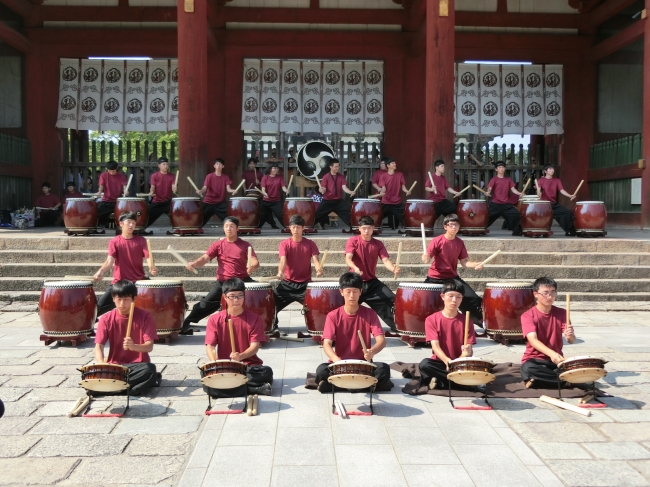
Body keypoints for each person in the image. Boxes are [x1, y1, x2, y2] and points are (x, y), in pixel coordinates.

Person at [315, 272, 393, 393]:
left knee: (384, 369)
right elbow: (326, 344)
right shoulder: (333, 316)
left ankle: (336, 386)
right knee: (321, 370)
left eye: (355, 291)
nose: (352, 295)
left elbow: (381, 341)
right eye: (348, 291)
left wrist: (372, 351)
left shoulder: (370, 314)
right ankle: (366, 386)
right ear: (341, 292)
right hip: (340, 365)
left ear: (360, 292)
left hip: (363, 365)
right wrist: (336, 359)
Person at [181, 216, 260, 334]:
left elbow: (255, 261)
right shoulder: (218, 245)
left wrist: (252, 266)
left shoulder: (245, 245)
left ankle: (269, 324)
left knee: (262, 294)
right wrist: (195, 264)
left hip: (241, 280)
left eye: (232, 226)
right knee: (206, 304)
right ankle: (185, 324)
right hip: (223, 282)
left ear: (237, 228)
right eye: (226, 226)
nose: (229, 229)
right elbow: (205, 258)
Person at [204, 278, 274, 397]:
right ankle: (253, 388)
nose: (236, 300)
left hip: (248, 366)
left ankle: (230, 389)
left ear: (244, 296)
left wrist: (240, 356)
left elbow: (255, 346)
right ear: (225, 297)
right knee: (207, 384)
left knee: (266, 372)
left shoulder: (254, 318)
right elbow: (210, 346)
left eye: (240, 296)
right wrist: (214, 363)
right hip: (226, 367)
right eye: (232, 296)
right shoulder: (214, 319)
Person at [94, 279, 160, 395]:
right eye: (119, 299)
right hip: (115, 366)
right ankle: (129, 389)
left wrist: (134, 346)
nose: (122, 304)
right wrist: (102, 364)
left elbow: (149, 347)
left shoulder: (145, 316)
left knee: (150, 370)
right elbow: (99, 346)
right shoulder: (106, 319)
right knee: (90, 375)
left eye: (126, 299)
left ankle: (112, 388)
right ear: (113, 298)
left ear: (134, 299)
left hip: (137, 366)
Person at [421, 214, 484, 325]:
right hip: (435, 278)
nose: (454, 227)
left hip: (452, 278)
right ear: (445, 227)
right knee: (424, 301)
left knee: (472, 298)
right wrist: (425, 257)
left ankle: (479, 323)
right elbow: (426, 259)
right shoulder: (437, 240)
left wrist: (475, 264)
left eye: (456, 225)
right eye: (451, 225)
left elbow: (464, 262)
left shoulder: (459, 242)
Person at [418, 279, 478, 391]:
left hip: (460, 363)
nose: (454, 300)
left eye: (458, 297)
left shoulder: (467, 321)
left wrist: (461, 358)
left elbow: (469, 350)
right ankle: (461, 384)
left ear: (462, 299)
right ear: (442, 297)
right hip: (441, 362)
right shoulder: (431, 320)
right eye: (450, 296)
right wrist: (447, 361)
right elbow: (435, 346)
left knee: (480, 368)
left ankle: (441, 382)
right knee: (424, 365)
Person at [94, 211, 157, 316]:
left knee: (158, 300)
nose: (132, 225)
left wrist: (151, 267)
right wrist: (100, 271)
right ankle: (89, 327)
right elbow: (109, 262)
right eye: (129, 222)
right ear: (121, 223)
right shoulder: (114, 241)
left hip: (139, 281)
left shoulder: (141, 240)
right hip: (120, 282)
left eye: (134, 223)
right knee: (98, 308)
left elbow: (149, 257)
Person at [345, 215, 400, 332]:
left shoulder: (378, 244)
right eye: (364, 228)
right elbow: (348, 258)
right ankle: (342, 328)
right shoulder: (353, 241)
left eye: (369, 228)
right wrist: (354, 268)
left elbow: (386, 260)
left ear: (373, 228)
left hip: (372, 282)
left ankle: (398, 326)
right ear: (359, 228)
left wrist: (393, 269)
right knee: (344, 306)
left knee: (391, 298)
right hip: (355, 282)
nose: (366, 231)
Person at [520, 277, 576, 389]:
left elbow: (571, 340)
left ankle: (542, 381)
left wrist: (570, 335)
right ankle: (568, 381)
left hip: (555, 362)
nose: (550, 296)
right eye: (545, 293)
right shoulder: (527, 315)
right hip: (535, 360)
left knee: (575, 368)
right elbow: (533, 340)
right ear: (536, 294)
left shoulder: (562, 313)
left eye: (553, 292)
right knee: (527, 369)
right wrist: (552, 354)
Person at [272, 215, 323, 329]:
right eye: (293, 227)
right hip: (287, 284)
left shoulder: (310, 243)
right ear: (289, 228)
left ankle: (315, 328)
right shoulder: (284, 244)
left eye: (298, 227)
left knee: (315, 307)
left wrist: (318, 269)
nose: (295, 230)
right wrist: (280, 271)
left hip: (305, 284)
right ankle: (273, 325)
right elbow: (283, 260)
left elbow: (315, 259)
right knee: (271, 303)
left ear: (303, 228)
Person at [314, 158, 355, 229]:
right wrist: (321, 190)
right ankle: (306, 227)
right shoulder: (326, 177)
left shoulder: (341, 177)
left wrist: (350, 191)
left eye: (338, 166)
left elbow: (344, 188)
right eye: (336, 166)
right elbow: (323, 189)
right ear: (331, 167)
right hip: (327, 201)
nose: (338, 168)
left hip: (338, 201)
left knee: (350, 212)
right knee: (317, 215)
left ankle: (355, 227)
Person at [536, 165, 577, 236]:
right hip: (544, 205)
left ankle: (569, 231)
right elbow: (538, 191)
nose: (552, 170)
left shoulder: (556, 180)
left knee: (568, 213)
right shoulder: (541, 180)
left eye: (553, 169)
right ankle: (540, 231)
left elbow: (561, 190)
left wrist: (570, 195)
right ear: (545, 171)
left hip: (553, 204)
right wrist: (538, 193)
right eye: (550, 169)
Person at [485, 161, 523, 236]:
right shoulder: (494, 179)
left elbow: (513, 189)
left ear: (505, 168)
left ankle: (516, 232)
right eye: (499, 167)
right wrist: (488, 192)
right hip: (495, 204)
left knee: (516, 215)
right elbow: (489, 188)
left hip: (506, 204)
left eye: (503, 167)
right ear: (496, 169)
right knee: (486, 218)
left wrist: (519, 193)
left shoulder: (508, 179)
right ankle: (480, 229)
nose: (501, 169)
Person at [198, 158, 236, 227]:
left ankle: (229, 229)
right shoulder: (209, 176)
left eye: (220, 164)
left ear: (223, 166)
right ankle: (196, 228)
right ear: (214, 166)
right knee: (199, 217)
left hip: (220, 203)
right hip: (208, 202)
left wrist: (232, 190)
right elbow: (205, 187)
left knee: (228, 216)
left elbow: (228, 189)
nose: (218, 165)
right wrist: (201, 191)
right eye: (217, 164)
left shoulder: (225, 177)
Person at [377, 158, 412, 230]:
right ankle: (373, 230)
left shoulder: (400, 175)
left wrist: (407, 191)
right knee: (378, 217)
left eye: (395, 163)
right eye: (393, 163)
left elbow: (403, 187)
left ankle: (409, 231)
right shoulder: (383, 176)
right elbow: (383, 188)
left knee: (406, 218)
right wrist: (381, 192)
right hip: (386, 202)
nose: (395, 164)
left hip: (397, 202)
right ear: (388, 165)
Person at [146, 157, 178, 229]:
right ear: (159, 165)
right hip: (157, 201)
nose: (166, 166)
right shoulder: (154, 176)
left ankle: (177, 230)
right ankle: (141, 230)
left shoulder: (172, 176)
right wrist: (151, 191)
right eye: (163, 164)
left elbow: (173, 186)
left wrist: (174, 188)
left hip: (168, 202)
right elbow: (152, 186)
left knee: (177, 215)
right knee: (147, 216)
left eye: (167, 164)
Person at [97, 161, 128, 227]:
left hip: (118, 202)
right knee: (97, 214)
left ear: (117, 168)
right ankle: (102, 224)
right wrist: (99, 192)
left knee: (125, 215)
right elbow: (101, 186)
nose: (111, 172)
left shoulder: (121, 176)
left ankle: (120, 227)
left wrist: (126, 191)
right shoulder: (103, 175)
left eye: (113, 171)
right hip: (106, 200)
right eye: (109, 170)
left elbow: (124, 186)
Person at [259, 163, 288, 229]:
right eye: (274, 168)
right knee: (263, 216)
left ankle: (288, 228)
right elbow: (263, 189)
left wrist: (286, 190)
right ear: (270, 169)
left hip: (276, 201)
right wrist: (264, 193)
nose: (276, 169)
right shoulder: (265, 177)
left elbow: (283, 187)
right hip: (266, 201)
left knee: (280, 215)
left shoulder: (280, 178)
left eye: (277, 168)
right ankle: (257, 229)